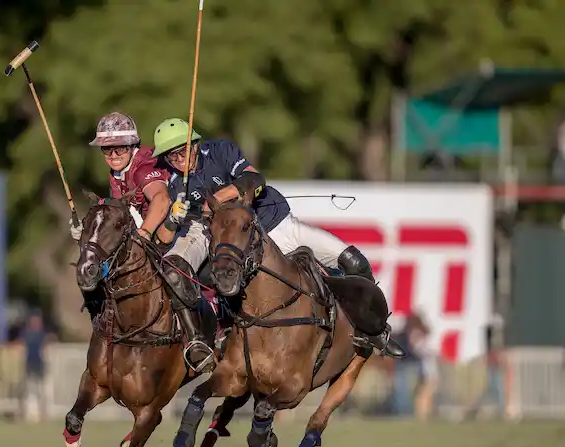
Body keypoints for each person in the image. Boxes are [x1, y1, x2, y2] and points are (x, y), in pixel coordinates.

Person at [151, 118, 405, 374]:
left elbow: (254, 178)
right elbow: (168, 236)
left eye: (180, 150)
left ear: (194, 144)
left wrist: (219, 197)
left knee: (354, 262)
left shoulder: (220, 151)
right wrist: (175, 217)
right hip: (244, 249)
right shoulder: (174, 185)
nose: (177, 159)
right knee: (223, 285)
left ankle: (375, 330)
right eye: (169, 156)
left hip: (278, 225)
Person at [69, 112, 171, 322]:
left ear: (133, 145)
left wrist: (144, 234)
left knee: (176, 275)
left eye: (120, 147)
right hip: (145, 232)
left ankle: (196, 336)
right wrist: (85, 229)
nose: (113, 154)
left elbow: (161, 200)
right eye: (107, 149)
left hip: (170, 227)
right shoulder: (117, 172)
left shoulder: (143, 168)